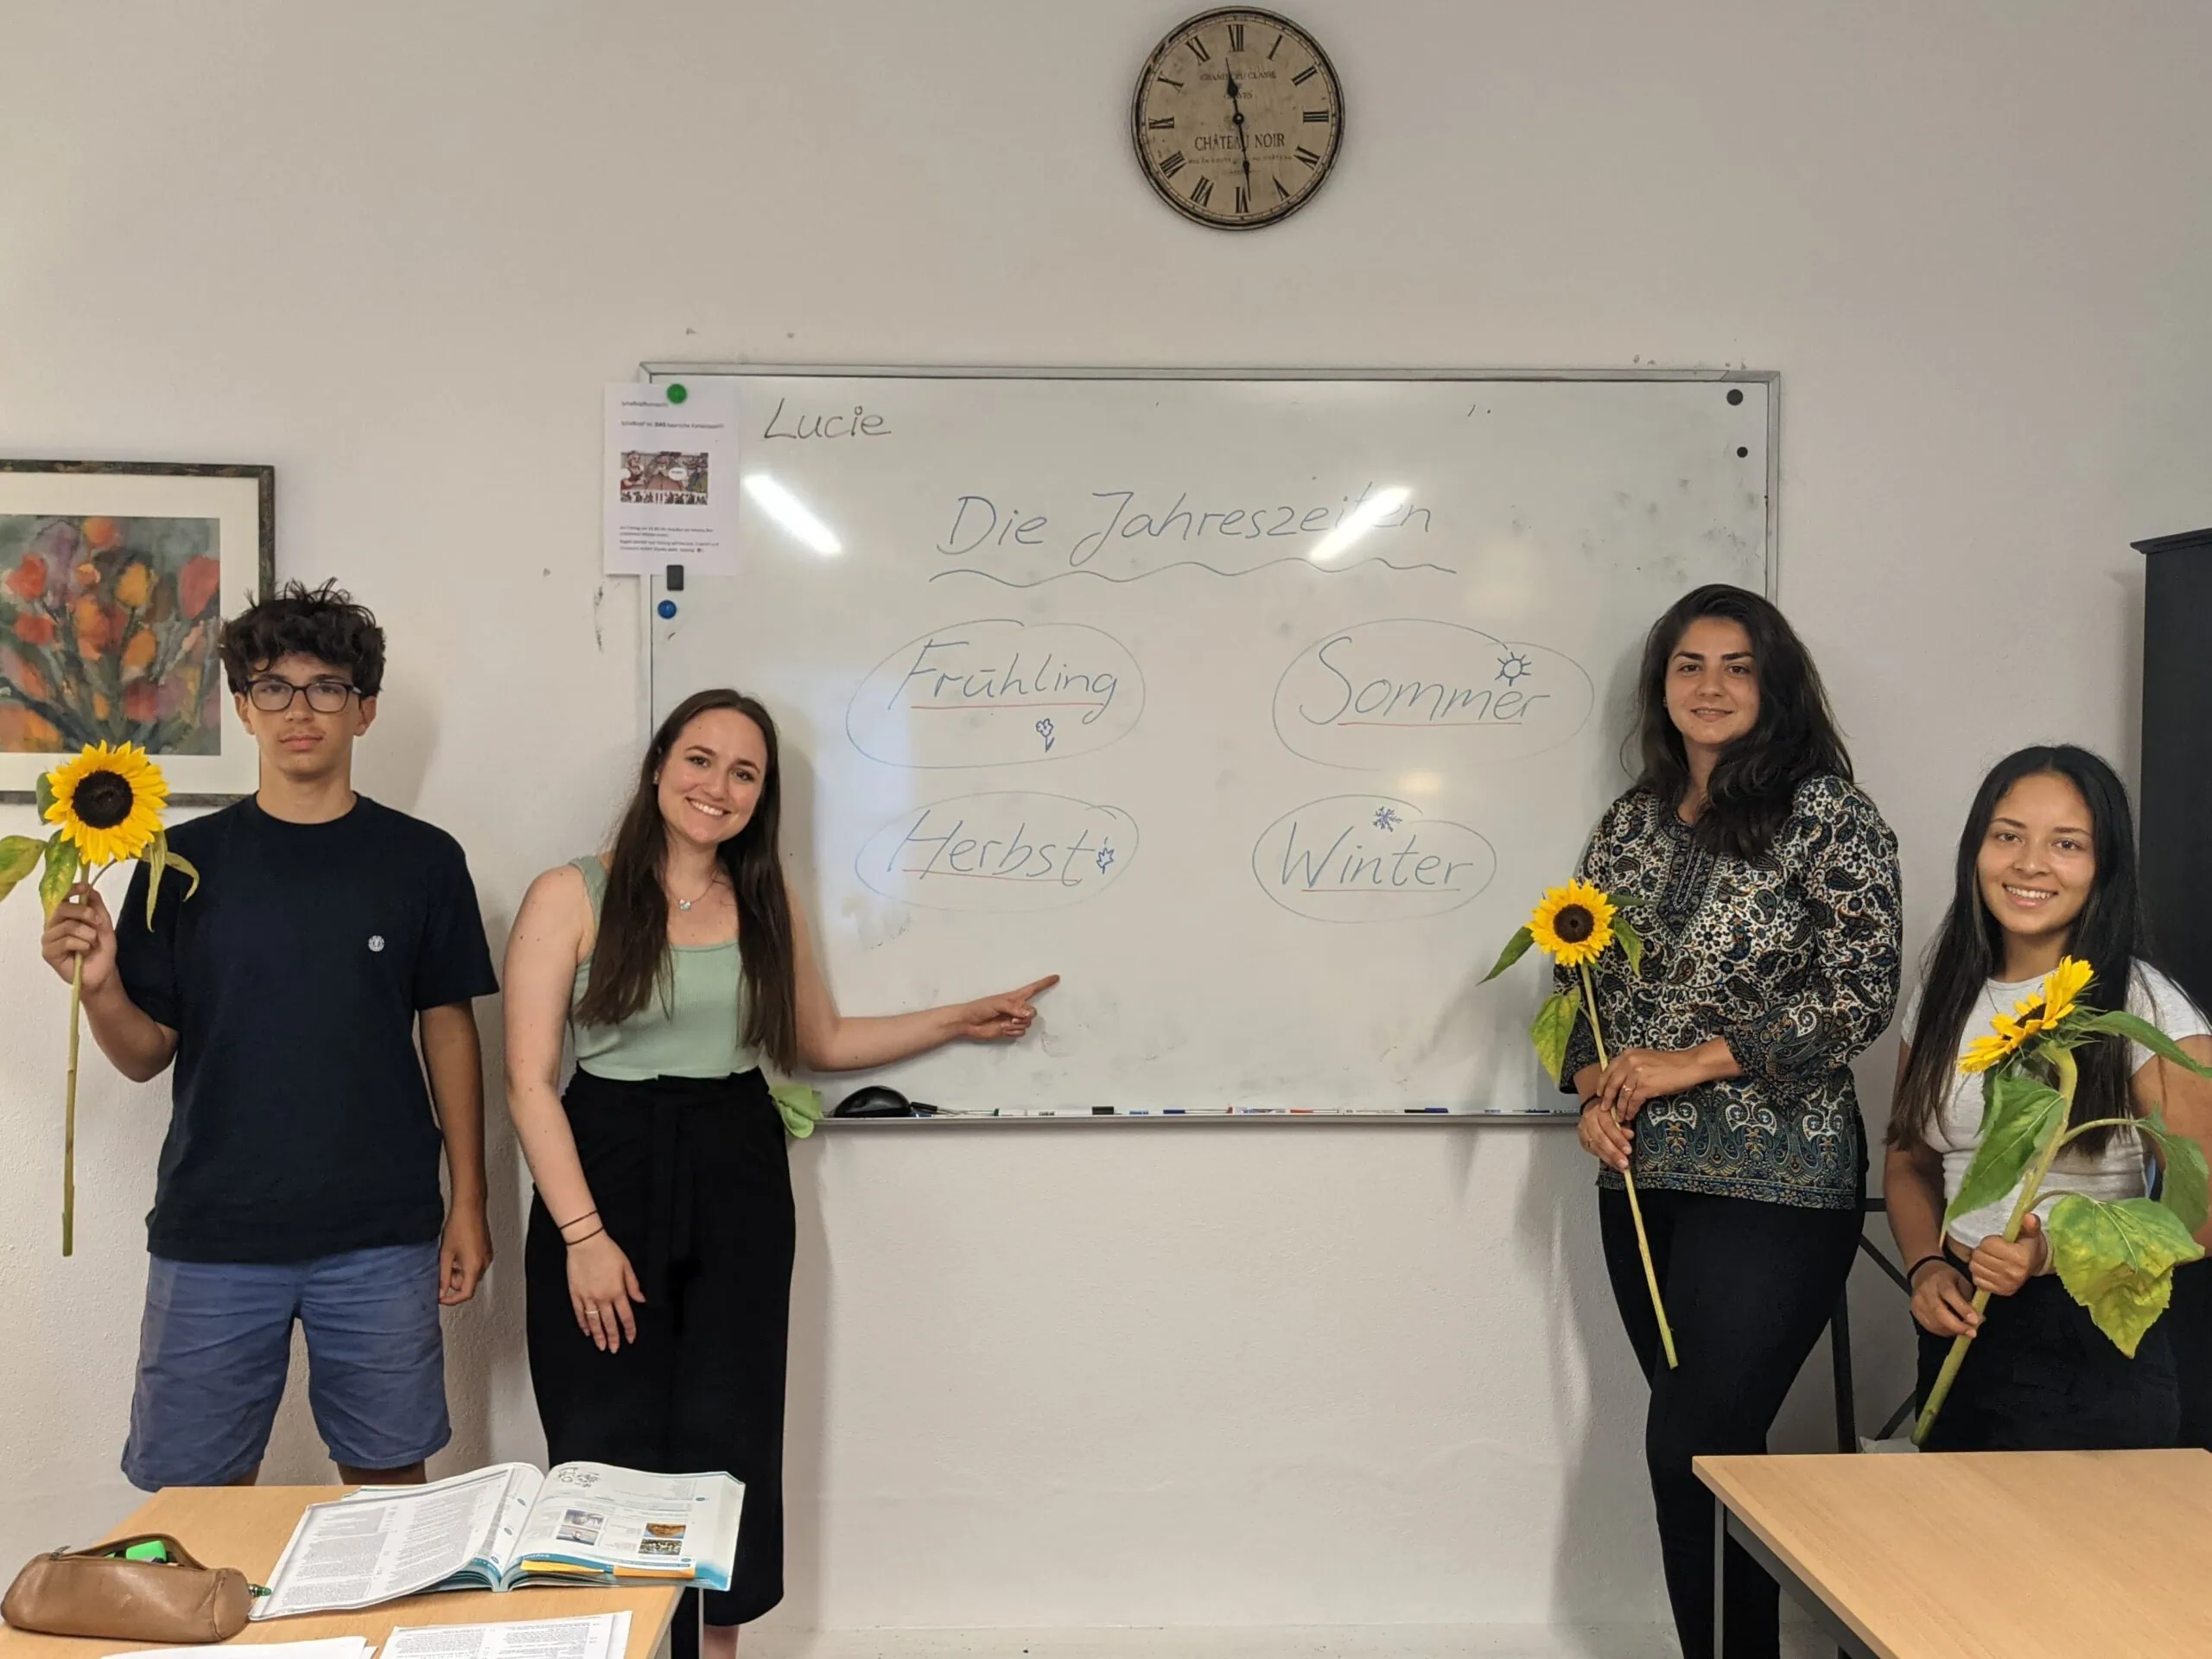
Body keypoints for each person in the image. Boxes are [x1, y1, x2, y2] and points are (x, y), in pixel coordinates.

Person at [503, 687, 1057, 1655]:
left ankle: (716, 1649)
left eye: (744, 774)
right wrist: (582, 1238)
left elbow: (818, 1041)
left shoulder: (764, 901)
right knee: (603, 1440)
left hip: (738, 1173)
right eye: (700, 760)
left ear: (761, 797)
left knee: (729, 1437)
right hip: (604, 1172)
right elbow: (527, 1081)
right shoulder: (570, 894)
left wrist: (954, 1018)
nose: (717, 788)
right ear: (660, 766)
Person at [38, 580, 498, 1490]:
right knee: (193, 1501)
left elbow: (449, 1033)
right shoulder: (180, 862)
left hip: (380, 1232)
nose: (300, 711)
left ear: (364, 709)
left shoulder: (424, 860)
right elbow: (145, 1054)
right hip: (215, 1229)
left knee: (387, 1491)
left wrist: (470, 1202)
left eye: (326, 687)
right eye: (274, 688)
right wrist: (98, 990)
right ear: (244, 708)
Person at [1565, 582, 1900, 1659]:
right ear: (1660, 686)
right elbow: (1574, 990)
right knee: (1704, 1452)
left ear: (1774, 684)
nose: (1710, 687)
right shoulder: (1627, 826)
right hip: (1641, 1181)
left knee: (1691, 1441)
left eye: (1737, 667)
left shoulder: (1829, 814)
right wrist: (1595, 1091)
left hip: (1780, 1182)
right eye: (1689, 666)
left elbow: (1861, 993)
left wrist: (1692, 1063)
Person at [1885, 746, 2212, 1449]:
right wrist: (1926, 1266)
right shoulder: (1945, 990)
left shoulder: (2143, 1007)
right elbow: (1909, 1160)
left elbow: (2205, 1214)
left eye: (2067, 844)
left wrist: (2051, 1257)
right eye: (2008, 836)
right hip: (1961, 1334)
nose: (2030, 864)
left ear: (2105, 866)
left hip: (2089, 1348)